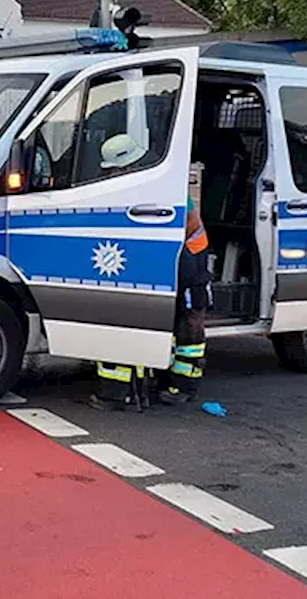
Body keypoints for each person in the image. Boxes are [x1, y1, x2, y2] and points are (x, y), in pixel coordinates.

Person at [89, 135, 211, 410]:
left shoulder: (158, 185)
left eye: (115, 169)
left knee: (190, 319)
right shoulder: (141, 183)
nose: (113, 173)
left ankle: (183, 385)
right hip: (172, 254)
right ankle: (163, 382)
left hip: (189, 254)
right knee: (164, 316)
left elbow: (182, 224)